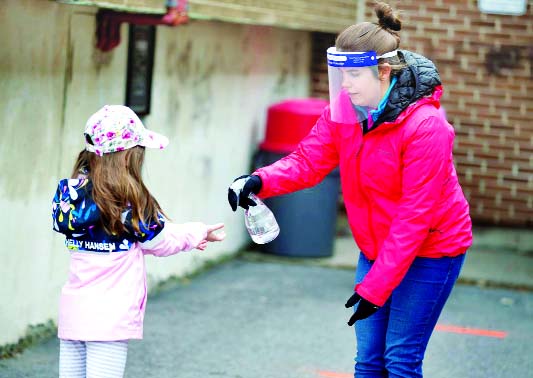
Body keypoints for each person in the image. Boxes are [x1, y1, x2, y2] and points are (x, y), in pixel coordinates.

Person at [227, 2, 472, 377]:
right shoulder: (346, 110)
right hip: (376, 246)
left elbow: (414, 217)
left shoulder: (426, 127)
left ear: (384, 72)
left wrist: (374, 289)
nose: (345, 85)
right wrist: (260, 180)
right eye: (341, 73)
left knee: (400, 361)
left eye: (355, 75)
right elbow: (308, 162)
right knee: (368, 361)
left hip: (430, 250)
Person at [52, 105, 225, 378]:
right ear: (126, 158)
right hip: (108, 318)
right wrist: (198, 232)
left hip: (73, 313)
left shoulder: (72, 197)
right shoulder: (128, 203)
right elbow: (161, 241)